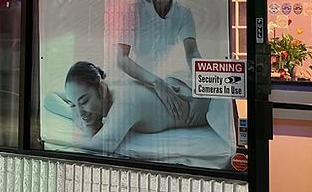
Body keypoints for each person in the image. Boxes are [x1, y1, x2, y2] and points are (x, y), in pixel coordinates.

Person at [117, 0, 200, 119]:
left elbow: (191, 51)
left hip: (166, 81)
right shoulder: (134, 11)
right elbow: (121, 59)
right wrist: (156, 83)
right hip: (136, 81)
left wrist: (203, 80)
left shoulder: (183, 13)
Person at [63, 61, 209, 154]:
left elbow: (102, 145)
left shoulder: (125, 102)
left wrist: (86, 128)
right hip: (178, 82)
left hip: (200, 100)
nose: (79, 112)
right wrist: (77, 113)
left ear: (101, 89)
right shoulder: (108, 89)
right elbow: (50, 99)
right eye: (72, 104)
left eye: (84, 101)